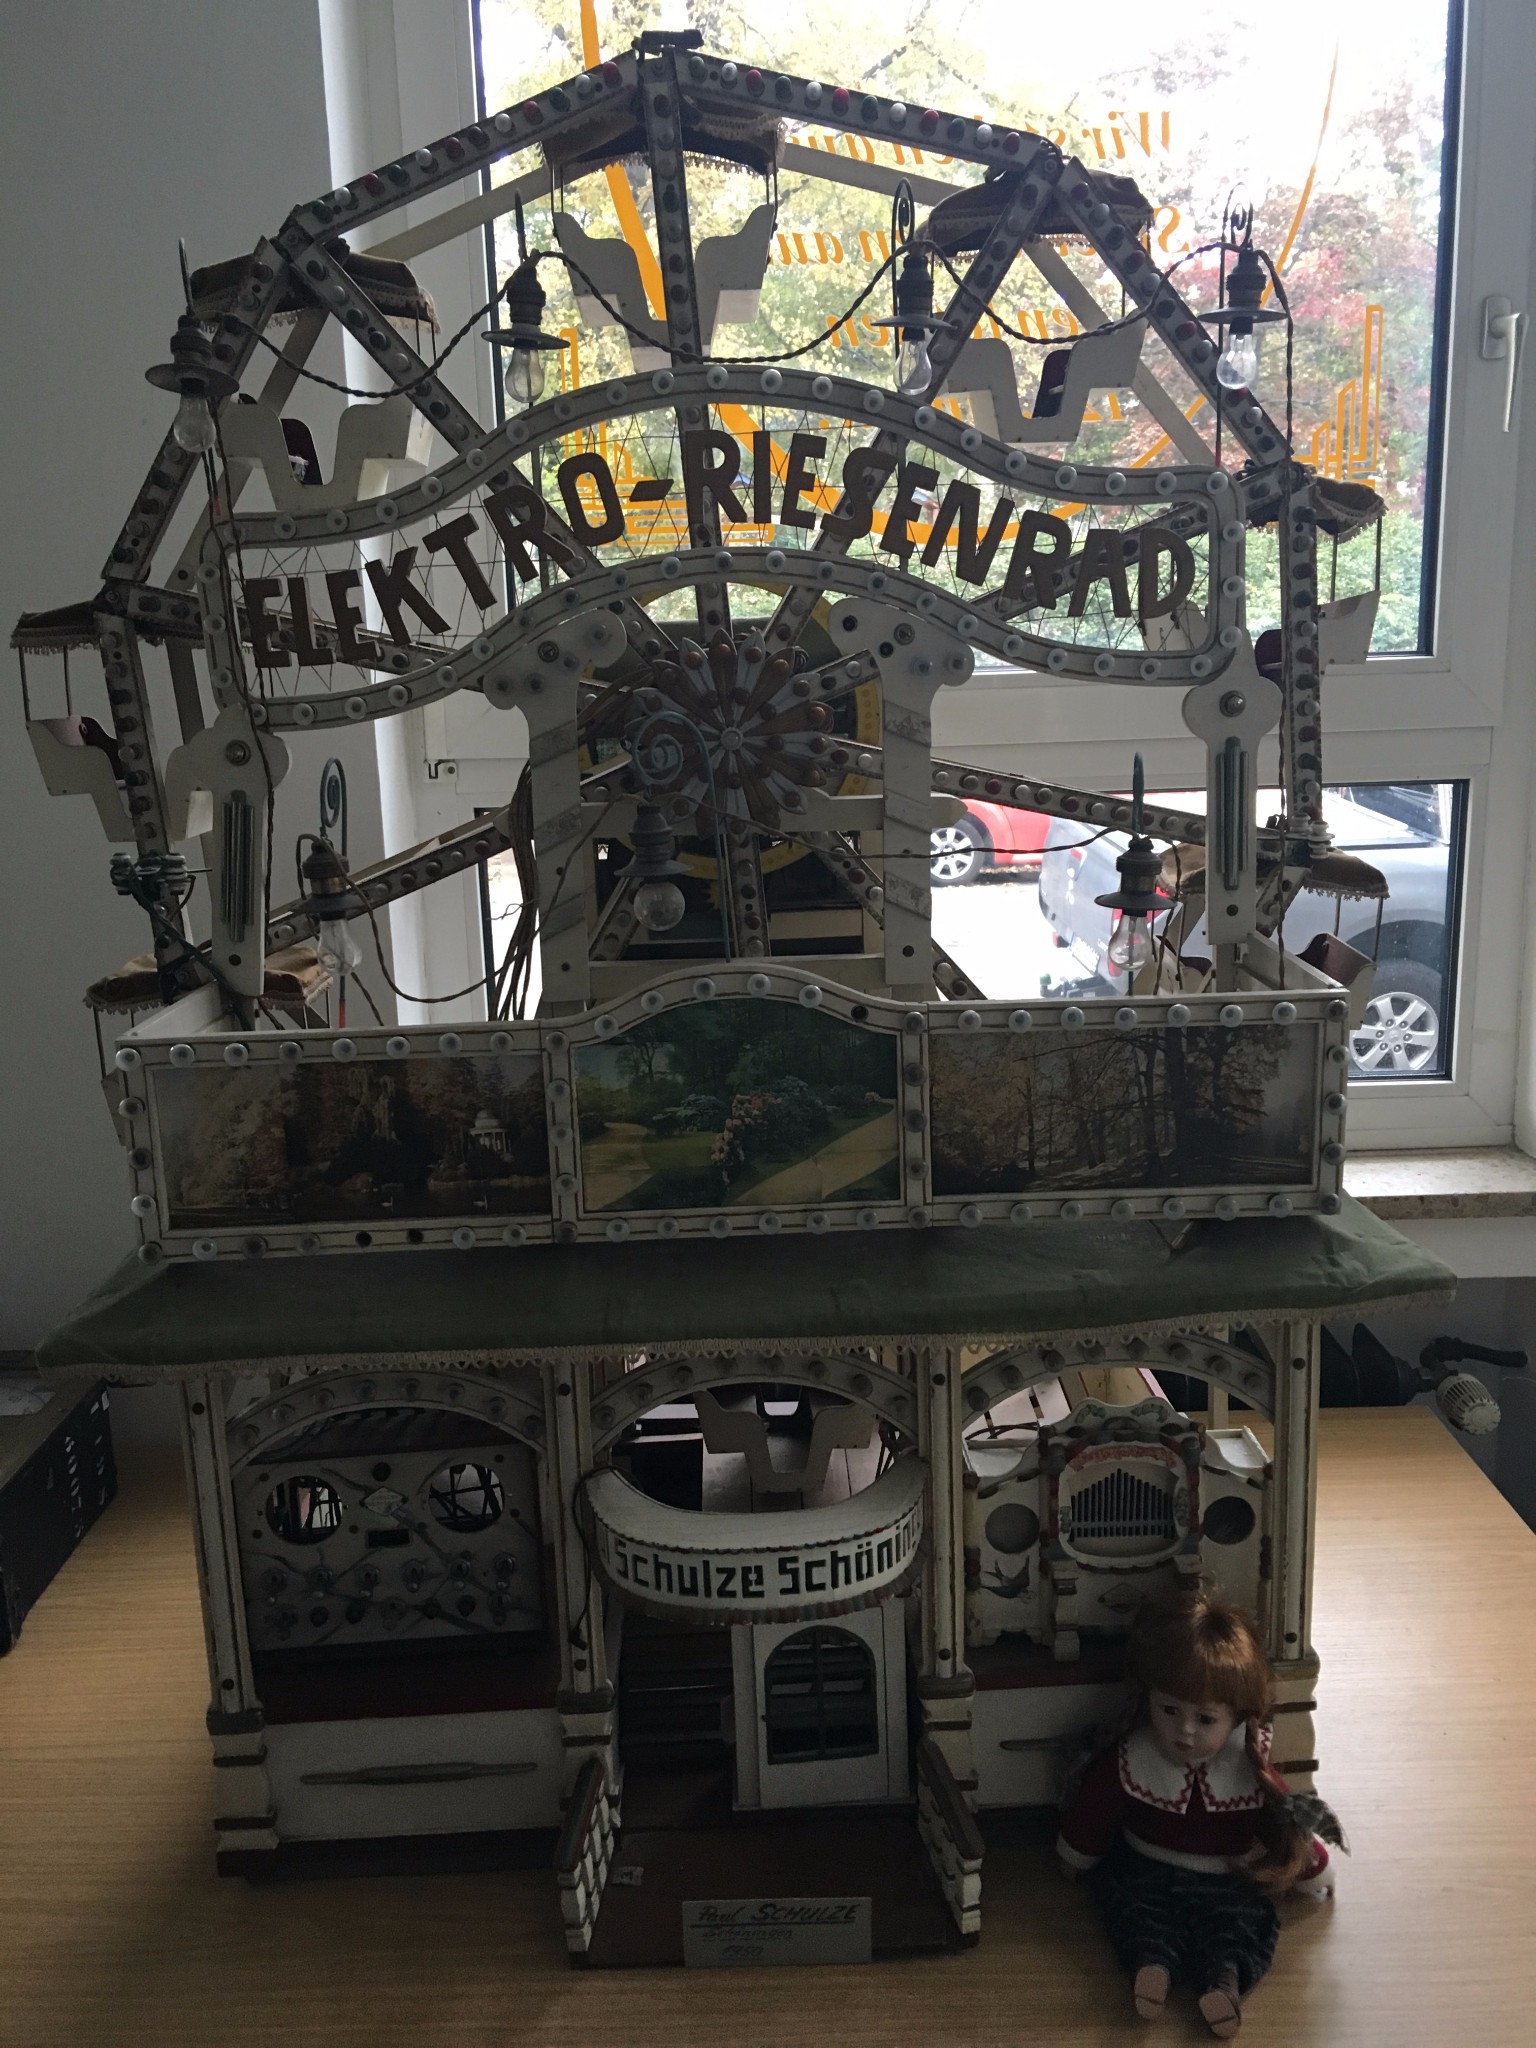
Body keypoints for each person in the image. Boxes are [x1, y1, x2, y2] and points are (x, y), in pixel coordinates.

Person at [1056, 1587, 1339, 2038]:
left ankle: (1224, 1980)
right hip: (1146, 1868)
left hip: (1229, 1876)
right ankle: (1151, 1964)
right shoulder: (1132, 1757)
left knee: (1240, 1924)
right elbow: (1095, 1810)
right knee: (1135, 1912)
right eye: (1169, 1710)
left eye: (1206, 1719)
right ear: (1149, 1698)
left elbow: (1286, 1822)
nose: (1184, 1732)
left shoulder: (1248, 1769)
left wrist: (1313, 1869)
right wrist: (1077, 1856)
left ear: (1236, 1717)